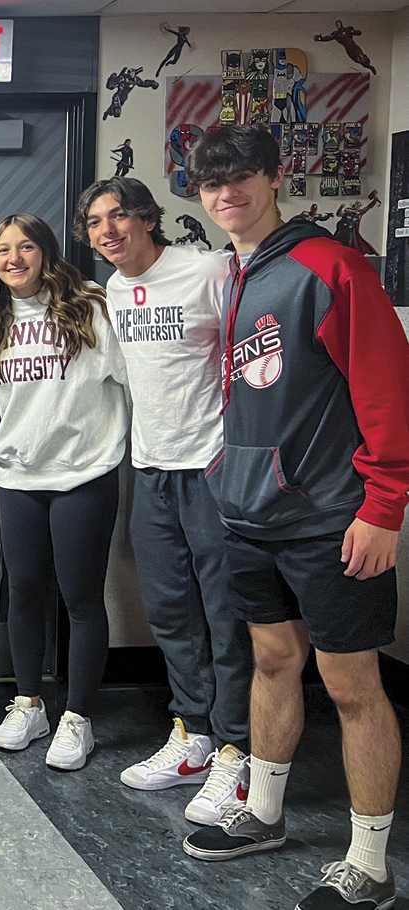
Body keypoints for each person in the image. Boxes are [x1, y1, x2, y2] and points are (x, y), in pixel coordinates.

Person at [179, 125, 409, 910]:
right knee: (272, 663)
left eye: (240, 177)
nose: (226, 195)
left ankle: (369, 865)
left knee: (351, 687)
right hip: (250, 513)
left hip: (332, 520)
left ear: (276, 176)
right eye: (211, 185)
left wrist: (383, 507)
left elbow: (385, 394)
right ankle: (263, 813)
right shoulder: (239, 273)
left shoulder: (330, 268)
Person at [77, 178, 252, 824]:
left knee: (225, 613)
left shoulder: (209, 270)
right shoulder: (112, 294)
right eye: (95, 222)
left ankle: (237, 751)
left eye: (118, 215)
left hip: (213, 468)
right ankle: (194, 735)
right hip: (150, 471)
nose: (106, 230)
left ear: (147, 218)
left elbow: (251, 354)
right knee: (170, 611)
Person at [0, 213, 129, 772]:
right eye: (3, 252)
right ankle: (29, 702)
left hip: (83, 474)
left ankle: (78, 717)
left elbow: (134, 382)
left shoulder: (92, 306)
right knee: (23, 593)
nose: (14, 259)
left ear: (47, 252)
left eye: (26, 248)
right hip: (18, 476)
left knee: (81, 599)